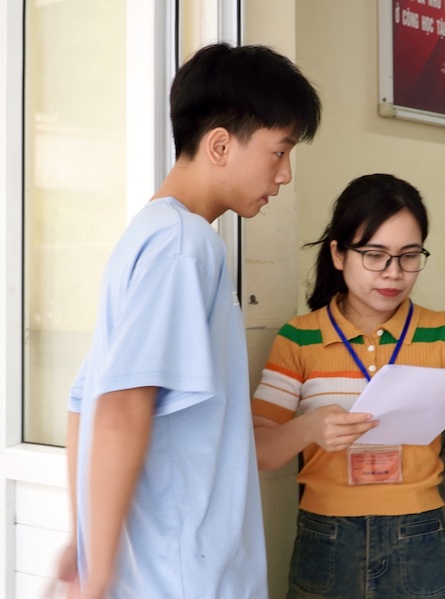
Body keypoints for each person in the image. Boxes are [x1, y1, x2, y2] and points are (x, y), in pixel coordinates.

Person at [57, 43, 321, 598]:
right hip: (184, 576)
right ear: (220, 145)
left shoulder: (146, 236)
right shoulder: (184, 245)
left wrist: (85, 541)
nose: (285, 175)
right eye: (279, 152)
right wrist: (94, 569)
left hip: (161, 567)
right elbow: (121, 405)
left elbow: (85, 404)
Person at [251, 173, 445, 599]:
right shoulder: (299, 338)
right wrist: (309, 428)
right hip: (327, 537)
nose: (393, 273)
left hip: (420, 534)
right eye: (375, 255)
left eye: (409, 256)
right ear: (338, 254)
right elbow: (259, 452)